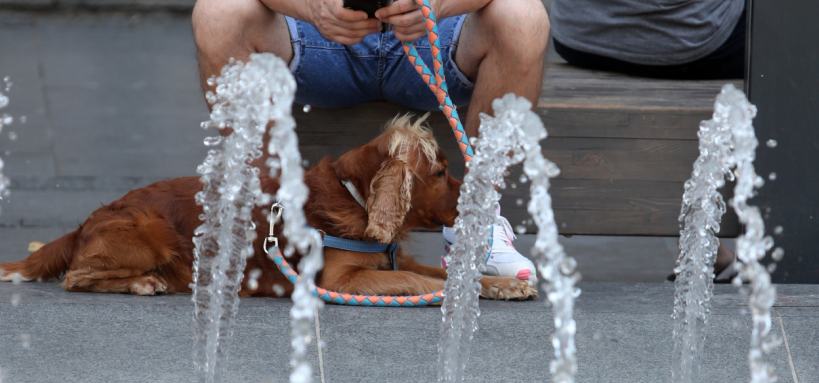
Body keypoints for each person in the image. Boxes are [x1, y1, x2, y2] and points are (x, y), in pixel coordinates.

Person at [191, 0, 550, 284]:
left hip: (440, 36)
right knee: (219, 10)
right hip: (313, 37)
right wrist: (311, 7)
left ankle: (477, 222)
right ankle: (264, 214)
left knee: (522, 14)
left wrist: (437, 5)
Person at [550, 0, 745, 281]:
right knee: (801, 33)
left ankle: (703, 246)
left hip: (579, 31)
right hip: (689, 33)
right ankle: (777, 247)